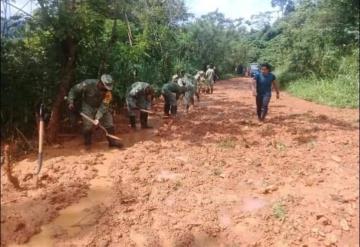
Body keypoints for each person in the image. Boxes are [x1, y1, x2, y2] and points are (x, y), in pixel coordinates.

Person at [67, 74, 123, 149]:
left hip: (101, 107)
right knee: (88, 125)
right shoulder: (87, 84)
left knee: (109, 122)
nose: (105, 90)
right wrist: (70, 101)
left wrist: (97, 118)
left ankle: (112, 142)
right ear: (100, 83)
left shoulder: (108, 93)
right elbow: (73, 90)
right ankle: (88, 144)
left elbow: (104, 106)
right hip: (88, 106)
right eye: (104, 88)